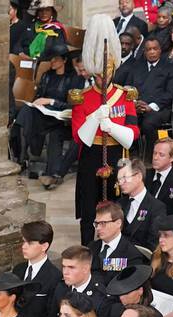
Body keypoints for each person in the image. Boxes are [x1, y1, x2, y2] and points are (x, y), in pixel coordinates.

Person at [70, 15, 138, 245]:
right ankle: (88, 246)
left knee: (117, 205)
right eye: (99, 73)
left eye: (106, 72)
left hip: (117, 154)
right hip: (91, 155)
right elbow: (79, 137)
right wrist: (95, 118)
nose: (103, 77)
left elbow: (132, 134)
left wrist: (112, 127)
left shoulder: (125, 95)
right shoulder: (82, 98)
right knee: (89, 207)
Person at [14, 38, 83, 183]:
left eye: (55, 59)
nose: (52, 61)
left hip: (60, 118)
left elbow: (71, 105)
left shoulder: (74, 79)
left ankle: (25, 157)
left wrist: (51, 101)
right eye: (51, 59)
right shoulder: (47, 76)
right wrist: (37, 102)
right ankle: (24, 156)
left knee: (28, 120)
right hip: (44, 113)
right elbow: (39, 96)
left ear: (64, 60)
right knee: (26, 111)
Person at [114, 35, 173, 148]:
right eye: (148, 49)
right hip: (136, 107)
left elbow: (171, 93)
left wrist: (151, 107)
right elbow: (128, 88)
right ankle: (127, 152)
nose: (152, 52)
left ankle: (151, 154)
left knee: (148, 124)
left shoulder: (170, 68)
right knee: (121, 120)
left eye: (155, 49)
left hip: (159, 108)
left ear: (160, 50)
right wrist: (134, 103)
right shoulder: (136, 67)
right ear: (144, 51)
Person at [13, 220, 63, 317]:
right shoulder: (18, 270)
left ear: (44, 246)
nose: (23, 246)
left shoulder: (54, 276)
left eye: (30, 243)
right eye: (24, 241)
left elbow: (51, 316)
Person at [91, 199, 149, 288]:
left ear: (118, 223)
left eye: (103, 223)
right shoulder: (91, 248)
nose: (98, 228)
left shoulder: (132, 254)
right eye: (96, 223)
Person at [115, 158, 167, 249]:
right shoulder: (119, 204)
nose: (121, 183)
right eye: (119, 179)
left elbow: (154, 244)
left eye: (125, 178)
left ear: (139, 177)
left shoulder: (156, 207)